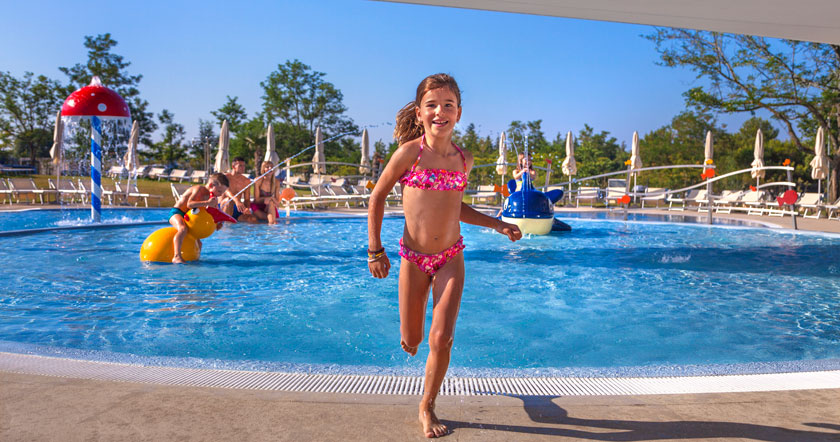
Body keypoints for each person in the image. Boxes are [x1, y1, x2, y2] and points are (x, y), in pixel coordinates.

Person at [367, 74, 522, 438]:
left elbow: (456, 206)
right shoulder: (409, 153)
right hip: (412, 258)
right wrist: (375, 250)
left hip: (451, 257)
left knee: (442, 339)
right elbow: (376, 199)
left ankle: (428, 405)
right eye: (432, 105)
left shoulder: (463, 159)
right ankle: (413, 328)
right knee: (413, 340)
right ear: (420, 113)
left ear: (459, 112)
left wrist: (497, 224)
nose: (441, 111)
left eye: (448, 105)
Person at [169, 173, 229, 264]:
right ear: (210, 185)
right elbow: (189, 204)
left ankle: (195, 260)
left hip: (190, 218)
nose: (220, 195)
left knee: (199, 243)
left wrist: (218, 223)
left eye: (222, 192)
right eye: (219, 191)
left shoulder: (213, 198)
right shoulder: (199, 189)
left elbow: (213, 213)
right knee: (182, 229)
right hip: (178, 212)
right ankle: (176, 256)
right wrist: (207, 203)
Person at [221, 157, 257, 223]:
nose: (243, 168)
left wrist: (247, 209)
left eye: (244, 166)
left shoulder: (246, 181)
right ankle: (226, 231)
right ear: (233, 166)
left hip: (237, 208)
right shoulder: (225, 177)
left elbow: (247, 200)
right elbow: (226, 191)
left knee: (252, 219)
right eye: (240, 166)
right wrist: (236, 200)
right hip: (224, 206)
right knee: (229, 200)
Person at [251, 160, 280, 225]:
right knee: (273, 218)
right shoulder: (258, 180)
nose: (270, 168)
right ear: (263, 169)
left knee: (271, 203)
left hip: (269, 207)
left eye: (271, 167)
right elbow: (256, 200)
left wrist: (270, 199)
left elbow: (277, 203)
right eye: (267, 167)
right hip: (258, 207)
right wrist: (268, 199)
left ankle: (271, 224)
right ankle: (273, 224)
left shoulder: (276, 182)